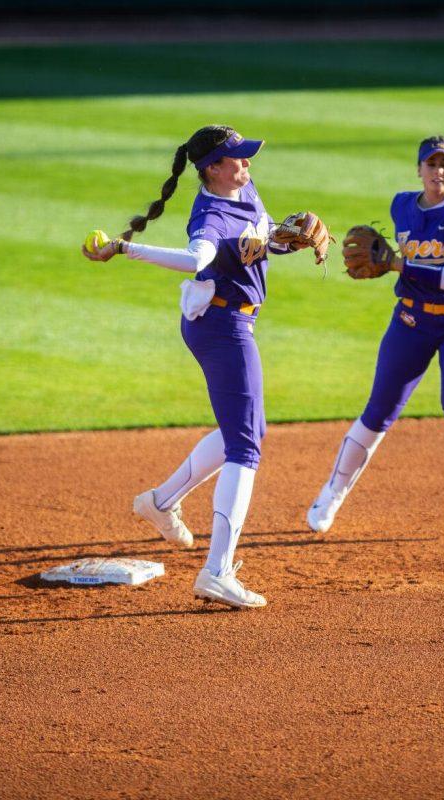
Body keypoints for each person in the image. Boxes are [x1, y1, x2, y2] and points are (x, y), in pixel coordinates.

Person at [82, 124, 326, 609]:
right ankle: (216, 571)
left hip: (230, 323)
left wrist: (285, 242)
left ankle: (162, 502)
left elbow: (262, 236)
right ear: (212, 168)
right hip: (221, 327)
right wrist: (127, 248)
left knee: (245, 430)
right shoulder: (210, 215)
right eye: (237, 158)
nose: (247, 164)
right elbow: (197, 259)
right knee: (246, 446)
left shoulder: (244, 189)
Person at [307, 135, 444, 533]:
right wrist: (386, 262)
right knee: (378, 412)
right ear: (419, 169)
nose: (438, 171)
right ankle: (332, 494)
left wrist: (394, 265)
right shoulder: (401, 205)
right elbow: (397, 261)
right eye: (431, 163)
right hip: (410, 321)